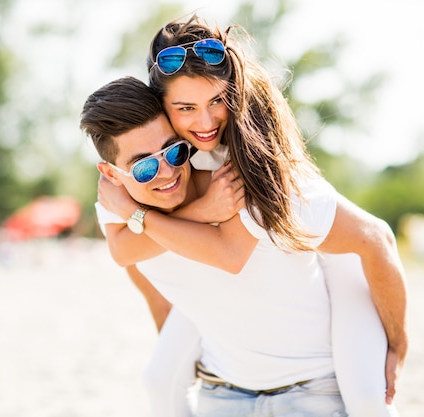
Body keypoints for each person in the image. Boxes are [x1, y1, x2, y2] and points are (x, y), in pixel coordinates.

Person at [91, 16, 408, 417]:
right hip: (238, 357)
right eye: (185, 107)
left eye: (216, 102)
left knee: (368, 400)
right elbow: (130, 256)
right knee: (159, 379)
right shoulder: (164, 158)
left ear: (233, 94)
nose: (204, 123)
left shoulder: (249, 166)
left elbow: (229, 254)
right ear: (161, 107)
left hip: (333, 259)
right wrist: (194, 212)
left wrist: (397, 341)